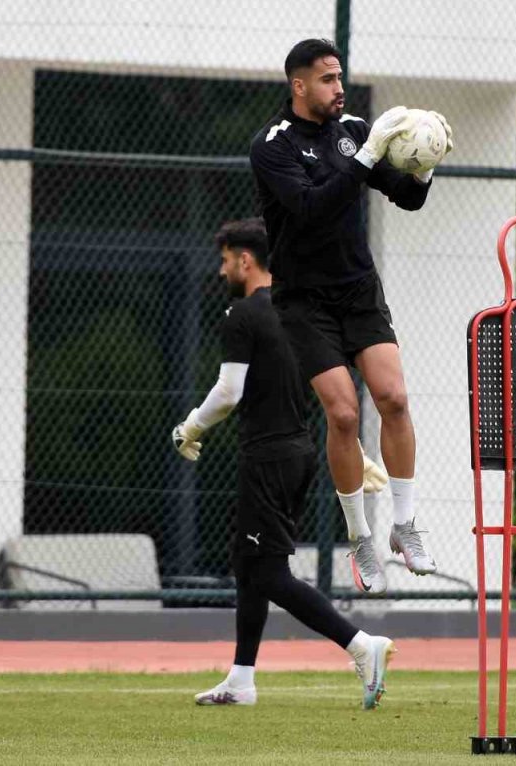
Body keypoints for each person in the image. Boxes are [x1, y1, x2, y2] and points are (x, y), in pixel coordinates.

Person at [248, 38, 452, 595]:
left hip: (358, 290)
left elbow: (406, 198)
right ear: (298, 86)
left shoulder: (355, 131)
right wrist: (365, 157)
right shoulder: (273, 146)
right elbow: (310, 209)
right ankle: (361, 536)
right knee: (343, 415)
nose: (339, 88)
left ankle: (404, 526)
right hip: (304, 301)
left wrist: (426, 163)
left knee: (394, 399)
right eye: (327, 79)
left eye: (340, 77)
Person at [172, 218, 396, 710]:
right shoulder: (301, 311)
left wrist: (190, 427)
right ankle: (241, 680)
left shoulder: (243, 313)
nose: (222, 270)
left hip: (268, 457)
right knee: (247, 565)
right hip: (298, 453)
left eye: (225, 261)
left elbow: (228, 392)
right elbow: (329, 392)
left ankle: (362, 645)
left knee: (269, 572)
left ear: (245, 260)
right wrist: (356, 450)